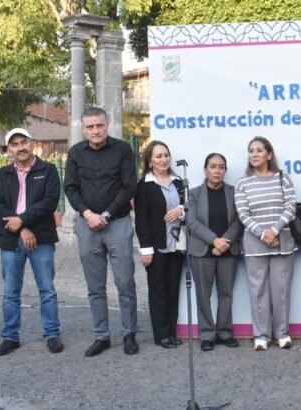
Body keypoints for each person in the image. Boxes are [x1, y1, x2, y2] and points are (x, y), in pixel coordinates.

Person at [64, 106, 139, 357]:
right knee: (95, 286)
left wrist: (105, 215)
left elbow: (129, 186)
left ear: (107, 125)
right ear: (83, 129)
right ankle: (101, 336)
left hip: (117, 223)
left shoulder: (123, 150)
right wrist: (88, 214)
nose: (95, 130)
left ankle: (129, 334)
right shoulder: (75, 153)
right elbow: (70, 188)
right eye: (90, 127)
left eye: (100, 125)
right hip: (87, 226)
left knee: (125, 282)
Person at [0, 128, 63, 356]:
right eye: (14, 144)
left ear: (32, 144)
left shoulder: (48, 170)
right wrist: (22, 229)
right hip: (11, 240)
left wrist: (21, 220)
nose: (20, 147)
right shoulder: (2, 174)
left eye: (24, 142)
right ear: (9, 149)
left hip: (42, 238)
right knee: (10, 292)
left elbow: (49, 202)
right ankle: (10, 337)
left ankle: (52, 334)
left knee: (47, 290)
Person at [234, 136, 297, 351]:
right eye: (251, 151)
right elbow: (243, 214)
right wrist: (264, 234)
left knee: (281, 291)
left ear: (269, 154)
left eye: (259, 150)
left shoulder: (282, 178)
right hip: (255, 245)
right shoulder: (243, 183)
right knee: (258, 291)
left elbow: (290, 207)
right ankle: (261, 335)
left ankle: (282, 334)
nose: (254, 154)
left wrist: (274, 230)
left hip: (282, 242)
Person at [186, 153, 242, 352]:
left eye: (221, 167)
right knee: (203, 295)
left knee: (226, 294)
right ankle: (207, 334)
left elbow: (239, 220)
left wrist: (224, 242)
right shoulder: (194, 193)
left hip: (228, 250)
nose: (217, 171)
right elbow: (192, 222)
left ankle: (225, 332)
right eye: (213, 166)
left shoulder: (234, 192)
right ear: (205, 170)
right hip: (202, 251)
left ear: (225, 170)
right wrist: (214, 241)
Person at [135, 141, 185, 349]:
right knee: (158, 291)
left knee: (173, 290)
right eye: (158, 156)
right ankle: (161, 335)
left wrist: (181, 210)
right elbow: (141, 220)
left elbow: (189, 206)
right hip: (156, 247)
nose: (164, 159)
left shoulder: (179, 182)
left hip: (177, 245)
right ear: (150, 160)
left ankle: (171, 333)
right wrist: (146, 249)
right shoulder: (144, 186)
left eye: (166, 155)